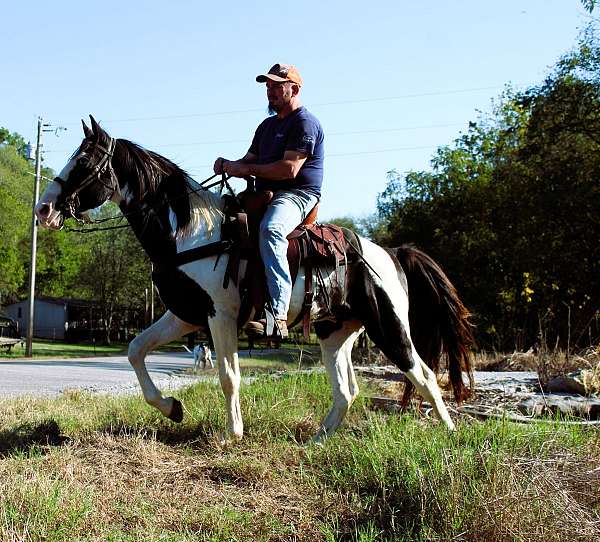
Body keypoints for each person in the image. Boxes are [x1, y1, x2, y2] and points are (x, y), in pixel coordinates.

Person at [213, 63, 324, 339]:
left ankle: (278, 314)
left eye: (276, 86)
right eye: (268, 87)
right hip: (266, 194)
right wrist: (228, 164)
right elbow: (248, 161)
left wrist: (246, 169)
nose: (270, 92)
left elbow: (289, 169)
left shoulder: (304, 123)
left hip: (298, 195)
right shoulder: (266, 126)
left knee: (272, 230)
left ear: (294, 89)